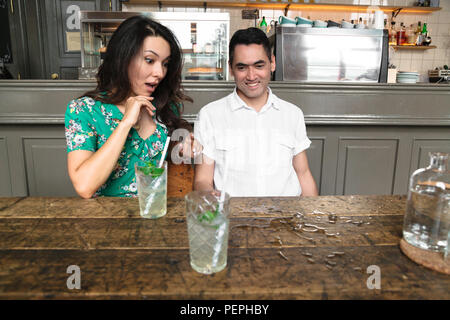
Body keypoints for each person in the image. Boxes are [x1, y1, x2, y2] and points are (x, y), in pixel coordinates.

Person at [65, 15, 192, 198]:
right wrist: (125, 123)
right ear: (123, 57)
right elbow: (85, 186)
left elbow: (175, 147)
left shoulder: (163, 106)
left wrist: (185, 138)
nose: (159, 73)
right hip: (107, 223)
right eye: (149, 60)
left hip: (155, 215)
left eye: (165, 64)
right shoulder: (83, 110)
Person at [193, 27, 318, 197]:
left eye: (259, 65)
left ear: (272, 63)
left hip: (287, 216)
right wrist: (210, 198)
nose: (251, 76)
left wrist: (312, 217)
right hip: (233, 216)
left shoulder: (293, 114)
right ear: (230, 68)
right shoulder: (209, 115)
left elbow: (303, 174)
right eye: (242, 67)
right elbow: (202, 180)